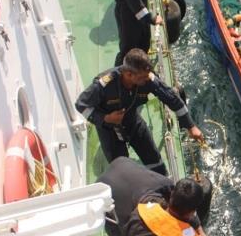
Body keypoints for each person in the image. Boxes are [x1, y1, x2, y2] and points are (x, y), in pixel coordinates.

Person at [75, 48, 203, 176]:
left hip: (133, 122)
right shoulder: (104, 85)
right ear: (129, 74)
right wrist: (105, 118)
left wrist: (191, 126)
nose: (147, 80)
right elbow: (81, 105)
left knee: (155, 162)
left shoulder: (147, 78)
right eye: (143, 77)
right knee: (122, 171)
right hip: (109, 130)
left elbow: (171, 97)